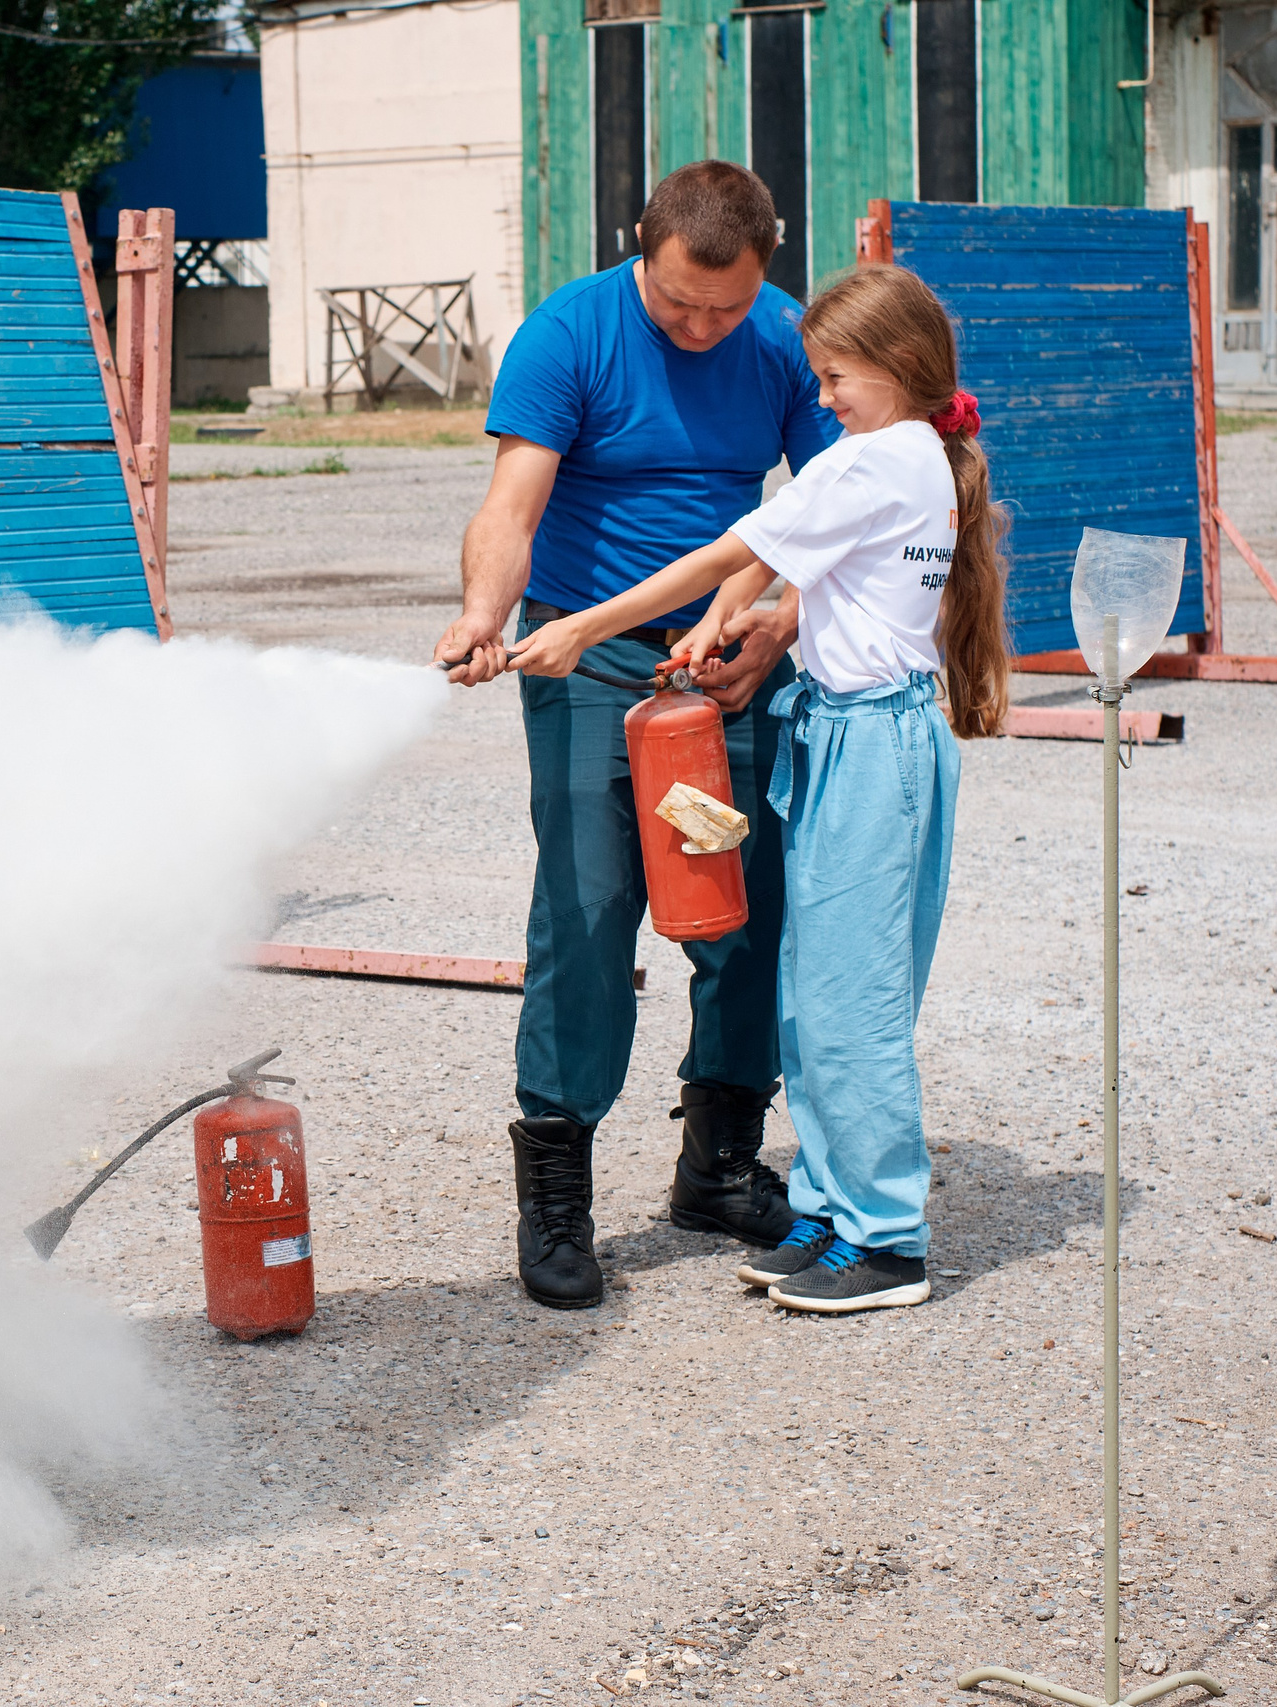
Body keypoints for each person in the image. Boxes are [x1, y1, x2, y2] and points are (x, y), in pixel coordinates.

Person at [501, 260, 1010, 1313]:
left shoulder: (876, 464)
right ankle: (826, 1213)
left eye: (834, 379)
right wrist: (746, 620)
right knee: (808, 991)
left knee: (849, 1003)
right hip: (836, 729)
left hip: (873, 744)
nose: (817, 399)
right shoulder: (900, 454)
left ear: (898, 367)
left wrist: (581, 627)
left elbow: (724, 552)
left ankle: (887, 1241)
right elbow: (773, 565)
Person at [437, 161, 838, 1311]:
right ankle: (556, 1186)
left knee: (740, 909)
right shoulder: (568, 333)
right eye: (679, 304)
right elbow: (510, 510)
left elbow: (839, 510)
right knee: (588, 906)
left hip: (728, 657)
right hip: (589, 652)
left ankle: (717, 1164)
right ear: (639, 248)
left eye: (728, 304)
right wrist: (481, 611)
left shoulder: (780, 337)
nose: (706, 326)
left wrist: (781, 620)